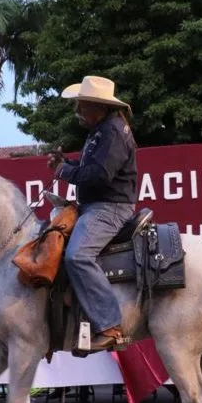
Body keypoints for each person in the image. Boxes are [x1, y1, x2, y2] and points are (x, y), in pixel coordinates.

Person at [48, 76, 137, 351]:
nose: (78, 112)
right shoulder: (104, 129)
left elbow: (99, 176)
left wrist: (63, 171)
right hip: (98, 205)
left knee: (78, 255)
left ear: (97, 106)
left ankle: (110, 325)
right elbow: (93, 168)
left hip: (109, 207)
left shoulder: (111, 132)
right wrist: (67, 164)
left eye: (82, 106)